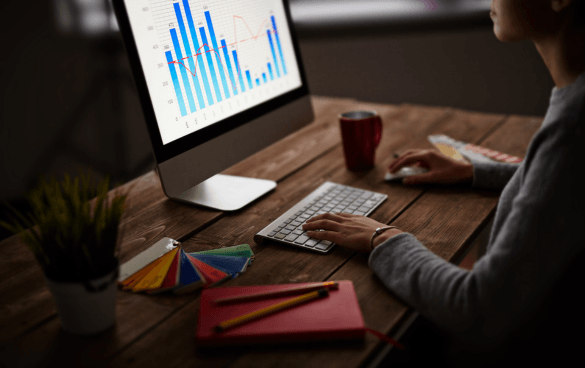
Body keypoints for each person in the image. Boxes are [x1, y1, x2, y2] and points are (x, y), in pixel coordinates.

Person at [302, 0, 585, 365]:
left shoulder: (574, 127)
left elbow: (479, 309)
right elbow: (565, 184)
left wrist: (382, 237)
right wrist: (475, 171)